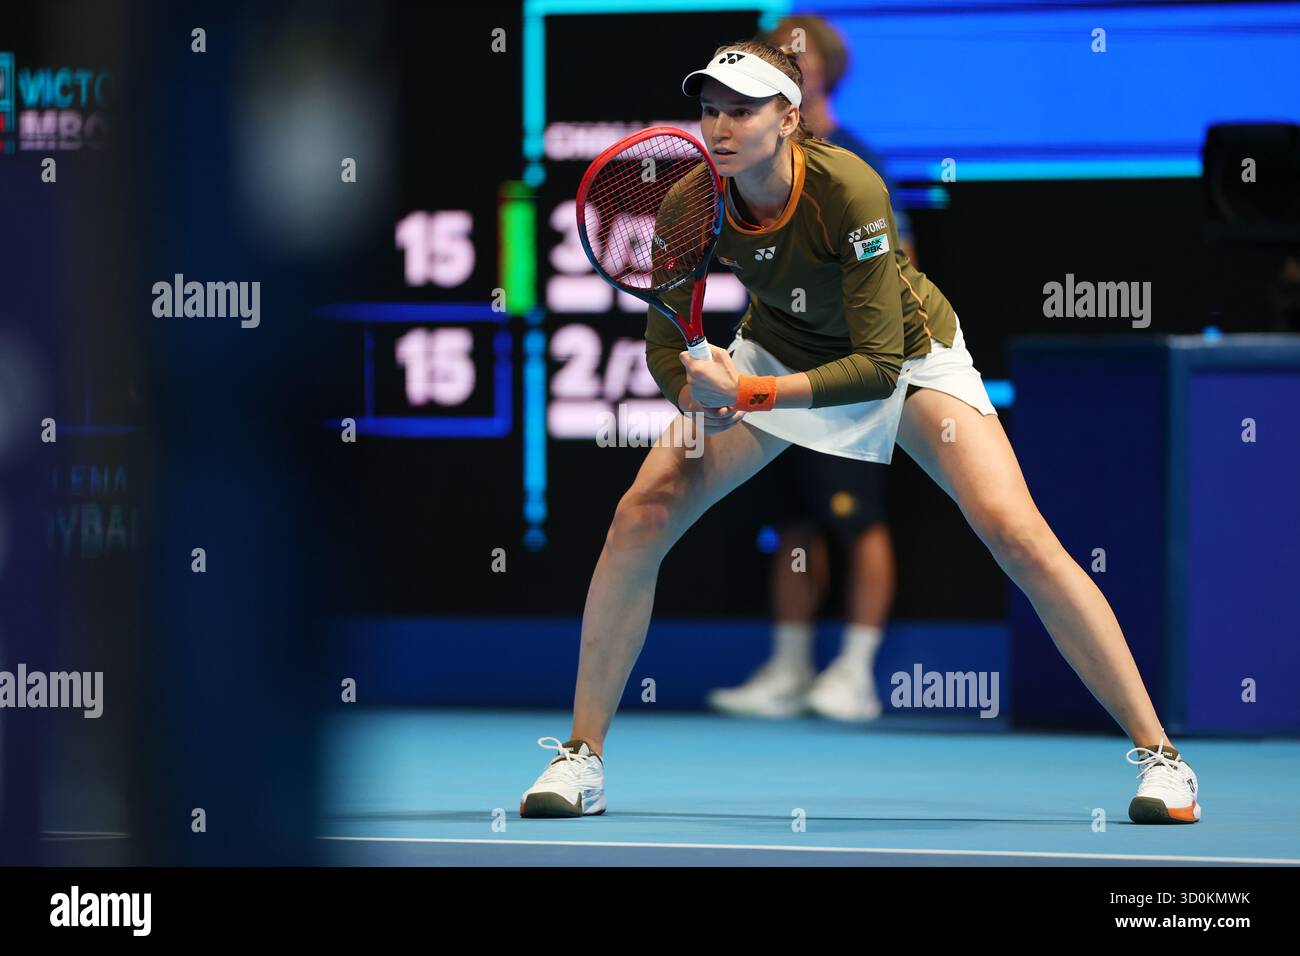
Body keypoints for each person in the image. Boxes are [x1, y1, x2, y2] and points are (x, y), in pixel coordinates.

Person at [520, 40, 1201, 825]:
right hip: (778, 349)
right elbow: (667, 341)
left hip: (910, 362)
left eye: (742, 110)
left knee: (1015, 532)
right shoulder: (691, 200)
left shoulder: (849, 188)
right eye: (710, 110)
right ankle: (583, 757)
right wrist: (691, 394)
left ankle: (1162, 759)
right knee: (642, 511)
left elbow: (878, 365)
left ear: (788, 117)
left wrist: (748, 390)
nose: (721, 126)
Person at [708, 16, 906, 723]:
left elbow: (898, 276)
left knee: (857, 519)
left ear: (818, 77)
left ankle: (854, 672)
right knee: (793, 523)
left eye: (802, 53)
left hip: (853, 365)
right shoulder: (733, 175)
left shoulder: (852, 163)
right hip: (779, 357)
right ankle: (791, 667)